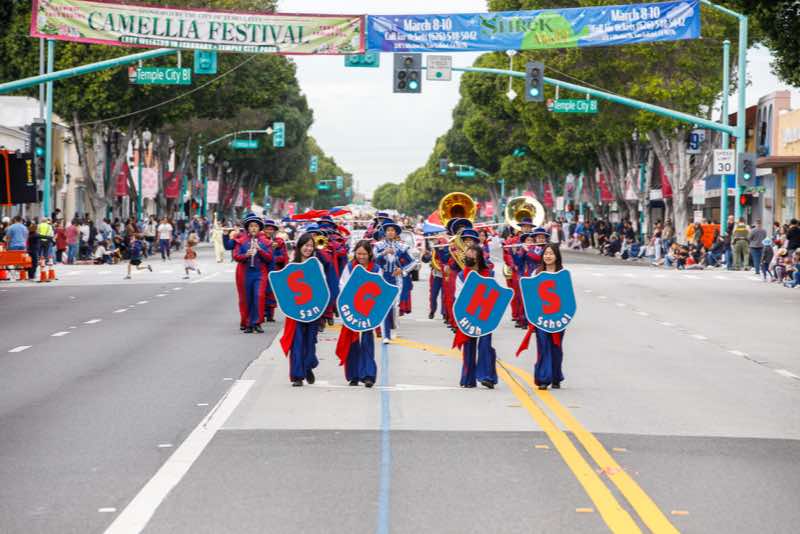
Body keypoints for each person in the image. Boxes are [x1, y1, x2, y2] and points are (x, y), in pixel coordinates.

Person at [516, 243, 567, 390]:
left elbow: (566, 297)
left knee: (556, 347)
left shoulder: (563, 273)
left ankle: (556, 376)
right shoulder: (536, 273)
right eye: (546, 253)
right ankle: (544, 378)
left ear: (556, 256)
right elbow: (530, 296)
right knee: (543, 345)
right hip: (540, 317)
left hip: (558, 317)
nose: (548, 256)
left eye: (551, 253)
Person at [279, 232, 323, 386]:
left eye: (311, 246)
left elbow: (322, 288)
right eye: (306, 245)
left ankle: (308, 365)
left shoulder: (317, 264)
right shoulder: (291, 266)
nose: (308, 248)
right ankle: (297, 376)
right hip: (295, 311)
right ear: (299, 246)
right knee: (296, 342)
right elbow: (284, 289)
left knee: (310, 342)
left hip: (313, 310)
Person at [453, 244, 498, 389]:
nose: (468, 256)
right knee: (468, 346)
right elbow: (458, 297)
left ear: (479, 257)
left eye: (472, 254)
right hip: (468, 315)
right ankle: (468, 378)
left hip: (485, 315)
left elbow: (495, 294)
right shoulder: (461, 276)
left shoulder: (489, 274)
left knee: (485, 345)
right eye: (467, 254)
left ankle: (487, 377)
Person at [335, 240, 379, 387]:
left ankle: (368, 375)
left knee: (367, 341)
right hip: (352, 308)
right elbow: (343, 286)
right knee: (352, 341)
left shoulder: (376, 269)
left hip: (369, 309)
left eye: (364, 254)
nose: (361, 257)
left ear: (370, 254)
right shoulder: (349, 267)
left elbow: (380, 288)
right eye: (358, 253)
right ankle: (353, 375)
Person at [375, 220, 415, 343]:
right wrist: (383, 253)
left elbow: (414, 262)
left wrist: (402, 270)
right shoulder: (378, 245)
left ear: (396, 233)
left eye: (392, 230)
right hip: (382, 277)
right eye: (388, 230)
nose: (390, 232)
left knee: (394, 306)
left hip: (396, 279)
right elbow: (372, 259)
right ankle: (385, 335)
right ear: (385, 232)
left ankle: (392, 330)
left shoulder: (402, 246)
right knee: (384, 305)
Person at [232, 214, 272, 333]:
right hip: (245, 274)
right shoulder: (241, 241)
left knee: (259, 296)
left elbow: (269, 258)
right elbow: (236, 256)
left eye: (256, 226)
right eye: (251, 226)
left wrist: (260, 250)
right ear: (247, 228)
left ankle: (257, 322)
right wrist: (246, 255)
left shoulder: (266, 242)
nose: (253, 228)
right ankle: (248, 323)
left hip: (260, 273)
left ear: (259, 228)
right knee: (246, 298)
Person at [263, 219, 287, 322]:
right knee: (261, 292)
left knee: (272, 293)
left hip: (274, 270)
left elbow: (283, 257)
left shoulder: (279, 242)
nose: (269, 231)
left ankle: (270, 314)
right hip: (262, 270)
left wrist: (272, 257)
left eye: (271, 229)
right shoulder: (260, 241)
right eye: (267, 229)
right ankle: (261, 313)